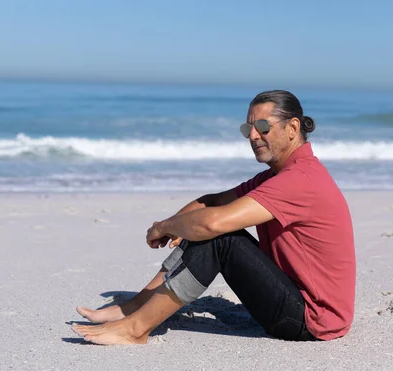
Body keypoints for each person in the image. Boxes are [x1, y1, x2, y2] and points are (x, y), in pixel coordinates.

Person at [72, 90, 356, 345]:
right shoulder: (278, 176)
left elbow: (211, 222)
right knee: (205, 224)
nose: (253, 136)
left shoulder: (299, 180)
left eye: (262, 127)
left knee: (219, 237)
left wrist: (165, 226)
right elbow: (211, 202)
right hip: (297, 301)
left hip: (311, 321)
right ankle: (137, 305)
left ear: (293, 128)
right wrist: (178, 224)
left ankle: (134, 329)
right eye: (248, 128)